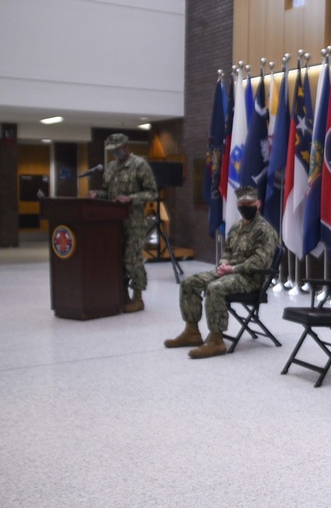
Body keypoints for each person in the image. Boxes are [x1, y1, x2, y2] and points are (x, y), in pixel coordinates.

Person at [164, 185, 279, 359]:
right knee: (189, 283)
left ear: (258, 204)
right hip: (229, 271)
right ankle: (192, 332)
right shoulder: (236, 227)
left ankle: (217, 340)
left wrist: (232, 269)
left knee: (215, 288)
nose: (245, 206)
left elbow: (259, 262)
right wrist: (224, 262)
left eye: (249, 203)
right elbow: (227, 250)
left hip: (250, 278)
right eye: (242, 203)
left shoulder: (264, 230)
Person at [88, 133, 158, 312]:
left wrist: (131, 198)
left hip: (134, 222)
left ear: (126, 147)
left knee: (132, 259)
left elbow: (152, 193)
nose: (114, 154)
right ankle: (122, 294)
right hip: (113, 223)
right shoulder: (110, 168)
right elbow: (108, 193)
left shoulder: (139, 165)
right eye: (111, 151)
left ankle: (138, 298)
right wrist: (98, 194)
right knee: (115, 259)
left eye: (117, 150)